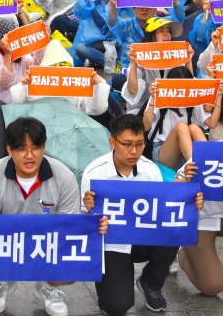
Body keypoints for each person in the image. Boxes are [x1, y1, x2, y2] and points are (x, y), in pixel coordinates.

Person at [0, 116, 99, 316]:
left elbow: (67, 228)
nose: (29, 155)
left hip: (47, 242)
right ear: (9, 150)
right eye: (21, 149)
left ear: (44, 146)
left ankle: (48, 286)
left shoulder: (63, 176)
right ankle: (2, 281)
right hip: (7, 243)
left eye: (35, 147)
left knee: (74, 268)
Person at [81, 114, 201, 316]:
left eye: (139, 144)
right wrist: (88, 211)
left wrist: (188, 200)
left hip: (143, 238)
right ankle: (114, 282)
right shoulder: (94, 173)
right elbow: (83, 226)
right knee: (116, 306)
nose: (134, 151)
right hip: (111, 244)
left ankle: (151, 282)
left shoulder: (150, 169)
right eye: (127, 144)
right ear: (112, 142)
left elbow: (162, 208)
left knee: (174, 227)